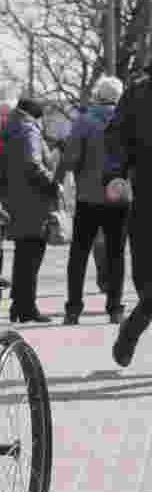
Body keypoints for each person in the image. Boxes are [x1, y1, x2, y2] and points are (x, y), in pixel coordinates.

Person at [53, 76, 127, 325]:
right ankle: (115, 308)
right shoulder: (126, 120)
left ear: (98, 95)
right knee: (116, 254)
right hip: (118, 197)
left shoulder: (85, 121)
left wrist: (59, 179)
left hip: (88, 197)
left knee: (79, 255)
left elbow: (71, 158)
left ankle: (73, 309)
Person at [105, 68, 149, 367]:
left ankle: (135, 324)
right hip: (148, 189)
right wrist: (116, 173)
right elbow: (115, 136)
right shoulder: (139, 92)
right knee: (145, 276)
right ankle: (137, 320)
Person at [2, 97, 58, 323]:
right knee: (32, 256)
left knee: (23, 256)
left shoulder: (12, 128)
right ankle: (27, 308)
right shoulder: (30, 131)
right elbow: (33, 164)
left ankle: (19, 305)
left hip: (17, 200)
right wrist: (52, 183)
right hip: (33, 202)